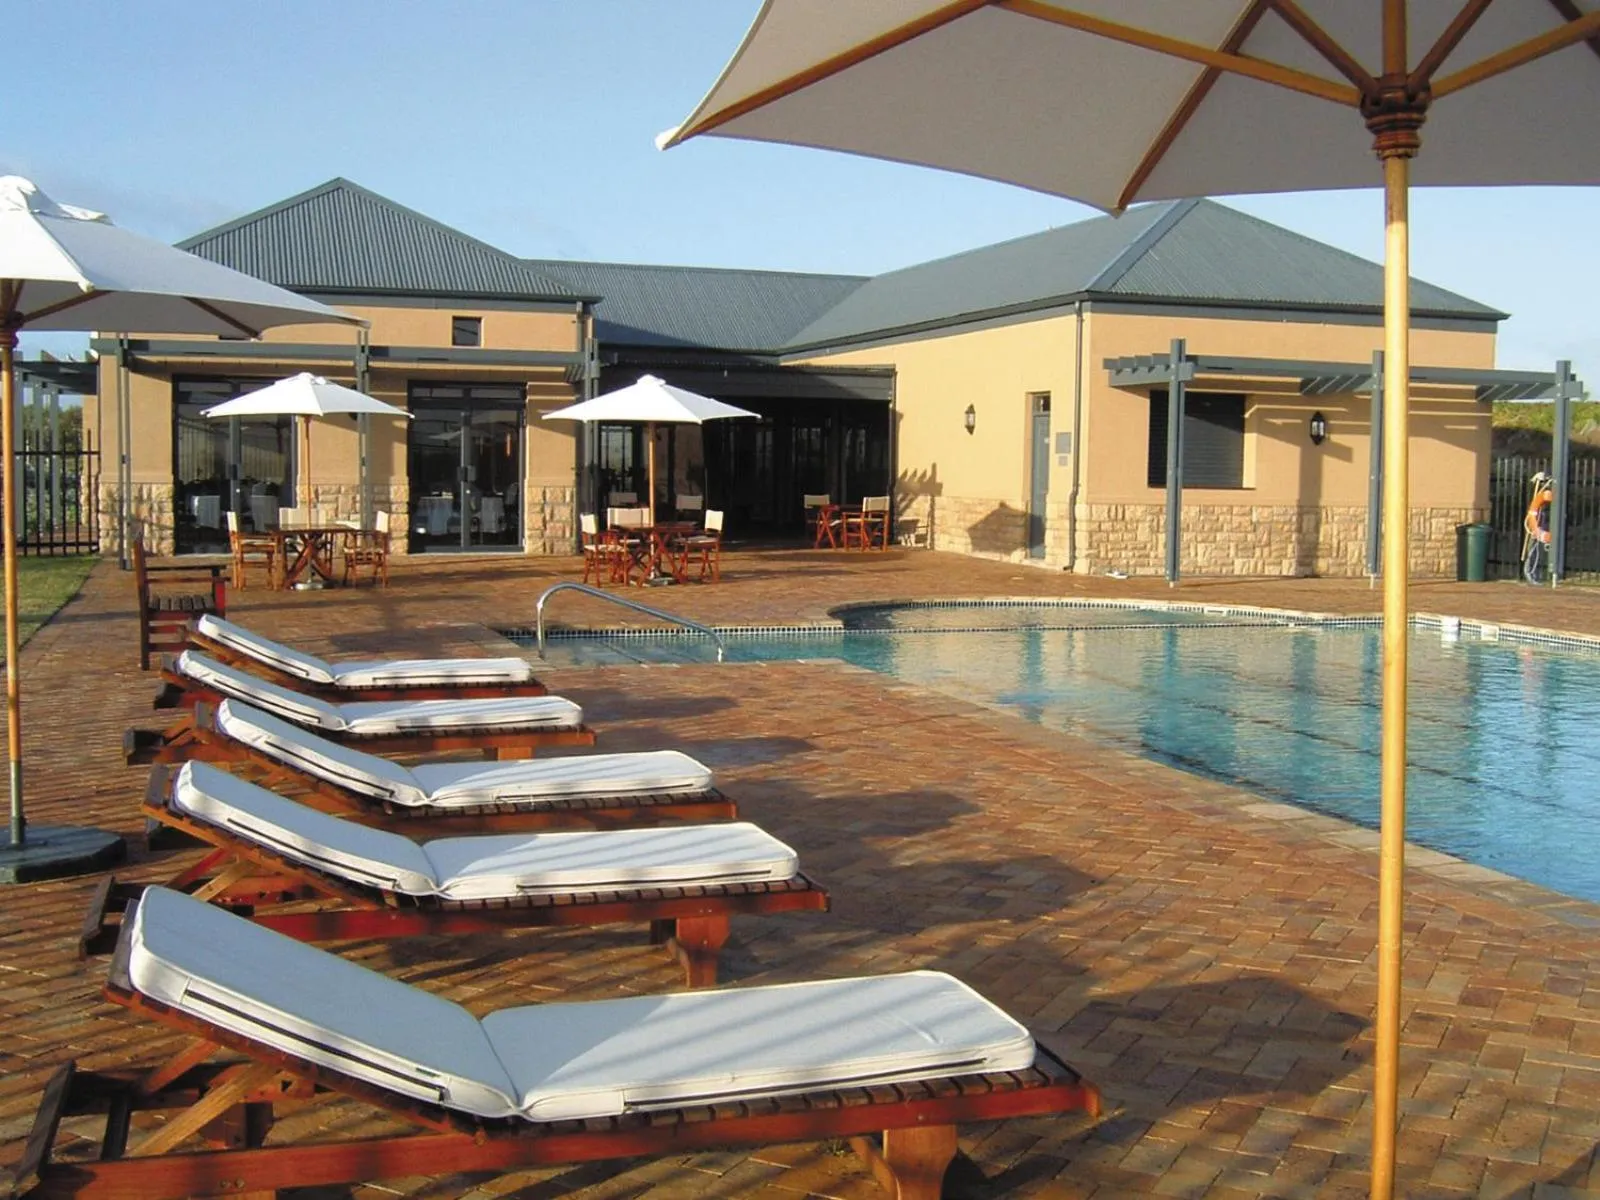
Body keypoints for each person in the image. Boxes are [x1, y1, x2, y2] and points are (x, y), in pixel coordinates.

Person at [1522, 470, 1554, 584]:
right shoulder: (1538, 494)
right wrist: (1536, 528)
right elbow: (1533, 511)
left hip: (1541, 523)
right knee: (1532, 550)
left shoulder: (1544, 495)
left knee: (1538, 551)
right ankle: (1529, 573)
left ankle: (1535, 572)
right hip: (1535, 524)